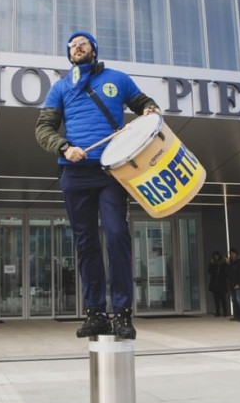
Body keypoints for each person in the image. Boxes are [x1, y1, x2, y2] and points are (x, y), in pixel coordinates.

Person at [35, 31, 159, 340]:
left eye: (83, 44)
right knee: (85, 243)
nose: (77, 47)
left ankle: (122, 314)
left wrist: (149, 108)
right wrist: (64, 147)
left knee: (117, 236)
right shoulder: (61, 87)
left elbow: (143, 101)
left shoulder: (117, 79)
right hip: (74, 173)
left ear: (93, 49)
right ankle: (95, 313)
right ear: (70, 55)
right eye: (73, 46)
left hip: (111, 172)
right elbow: (43, 128)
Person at [227, 248, 240, 322]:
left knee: (239, 300)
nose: (231, 255)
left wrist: (239, 284)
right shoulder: (231, 263)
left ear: (236, 254)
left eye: (233, 254)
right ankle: (236, 315)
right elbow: (229, 273)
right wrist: (228, 264)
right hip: (231, 284)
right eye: (230, 254)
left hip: (238, 284)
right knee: (234, 300)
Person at [207, 251, 228, 317]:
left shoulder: (223, 263)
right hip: (215, 283)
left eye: (217, 255)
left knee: (222, 299)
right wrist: (212, 264)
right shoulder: (213, 262)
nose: (216, 257)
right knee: (216, 299)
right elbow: (210, 271)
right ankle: (217, 312)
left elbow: (226, 271)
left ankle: (225, 312)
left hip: (221, 283)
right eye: (215, 256)